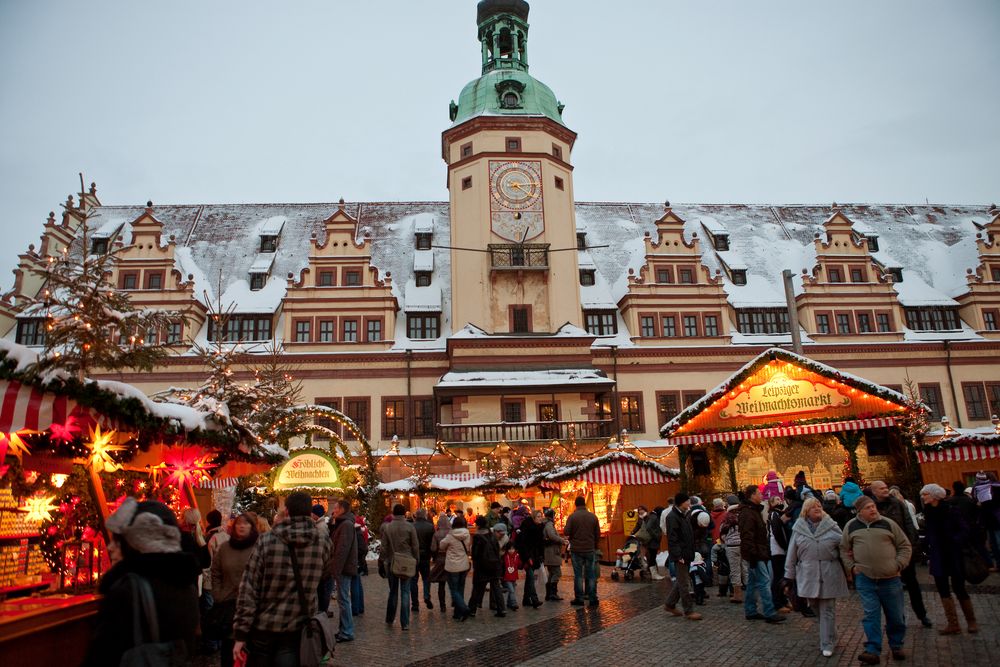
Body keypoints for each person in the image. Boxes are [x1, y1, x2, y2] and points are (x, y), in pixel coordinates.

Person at [82, 498, 201, 667]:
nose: (110, 548)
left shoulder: (127, 591)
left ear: (136, 543)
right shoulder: (185, 583)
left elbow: (102, 656)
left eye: (118, 541)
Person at [232, 492, 332, 667]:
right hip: (298, 626)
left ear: (286, 511)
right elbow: (325, 574)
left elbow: (248, 588)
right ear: (309, 511)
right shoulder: (323, 541)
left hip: (264, 627)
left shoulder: (267, 541)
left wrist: (241, 633)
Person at [841, 495, 911, 664]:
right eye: (868, 507)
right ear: (860, 511)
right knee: (870, 614)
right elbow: (843, 549)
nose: (873, 509)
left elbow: (904, 545)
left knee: (895, 614)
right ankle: (872, 649)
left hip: (890, 577)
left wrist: (899, 564)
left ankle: (896, 644)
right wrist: (852, 567)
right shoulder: (851, 526)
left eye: (873, 506)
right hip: (865, 578)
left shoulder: (888, 523)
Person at [785, 497, 849, 659]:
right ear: (806, 510)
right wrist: (788, 576)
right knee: (814, 606)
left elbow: (845, 547)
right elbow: (792, 554)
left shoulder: (832, 526)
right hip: (808, 573)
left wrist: (850, 568)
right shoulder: (798, 528)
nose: (817, 508)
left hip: (829, 571)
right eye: (813, 507)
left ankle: (826, 643)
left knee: (827, 608)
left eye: (819, 506)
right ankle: (831, 633)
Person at [870, 480, 932, 628]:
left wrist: (911, 546)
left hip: (902, 550)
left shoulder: (898, 504)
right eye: (882, 488)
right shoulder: (871, 507)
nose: (885, 490)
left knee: (912, 584)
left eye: (886, 487)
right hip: (883, 553)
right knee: (890, 589)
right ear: (874, 491)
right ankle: (897, 619)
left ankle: (922, 614)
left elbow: (909, 524)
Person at [920, 483, 978, 634]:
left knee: (959, 588)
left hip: (953, 554)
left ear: (934, 496)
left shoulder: (951, 510)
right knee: (943, 589)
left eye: (925, 494)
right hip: (938, 555)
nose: (923, 497)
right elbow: (930, 531)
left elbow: (965, 529)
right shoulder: (928, 511)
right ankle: (953, 623)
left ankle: (971, 621)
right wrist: (925, 544)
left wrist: (955, 540)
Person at [211, 513, 258, 667]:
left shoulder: (259, 547)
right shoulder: (225, 548)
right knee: (229, 648)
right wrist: (218, 594)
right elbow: (216, 572)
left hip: (253, 605)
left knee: (250, 648)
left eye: (246, 523)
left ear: (252, 526)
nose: (242, 526)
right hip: (228, 603)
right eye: (239, 523)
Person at [739, 485, 785, 624]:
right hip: (755, 553)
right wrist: (753, 554)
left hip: (756, 552)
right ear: (752, 495)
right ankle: (769, 611)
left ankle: (751, 610)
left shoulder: (753, 511)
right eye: (759, 493)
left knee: (753, 584)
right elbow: (747, 536)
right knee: (764, 582)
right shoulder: (748, 513)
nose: (761, 495)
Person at [379, 503, 420, 630]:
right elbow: (415, 545)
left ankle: (390, 618)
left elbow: (384, 547)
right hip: (407, 562)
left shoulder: (388, 527)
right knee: (405, 592)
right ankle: (405, 622)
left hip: (392, 562)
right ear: (404, 514)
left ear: (393, 513)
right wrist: (416, 559)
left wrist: (381, 560)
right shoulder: (410, 527)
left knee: (393, 592)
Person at [663, 493, 702, 621]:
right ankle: (688, 611)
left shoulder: (683, 514)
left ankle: (670, 604)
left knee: (682, 580)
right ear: (681, 502)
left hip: (686, 553)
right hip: (681, 555)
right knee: (684, 583)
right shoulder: (672, 517)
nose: (689, 504)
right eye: (687, 501)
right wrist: (678, 555)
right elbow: (672, 538)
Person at [329, 499, 358, 643]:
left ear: (342, 510)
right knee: (342, 599)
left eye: (335, 508)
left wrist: (336, 569)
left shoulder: (346, 525)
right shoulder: (342, 523)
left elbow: (342, 549)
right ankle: (343, 629)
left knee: (344, 599)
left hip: (344, 568)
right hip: (343, 567)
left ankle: (347, 631)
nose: (333, 511)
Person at [564, 495, 601, 607]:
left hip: (576, 550)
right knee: (591, 574)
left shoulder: (572, 517)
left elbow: (566, 531)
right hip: (590, 549)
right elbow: (597, 534)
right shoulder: (593, 517)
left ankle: (579, 599)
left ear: (576, 504)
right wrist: (594, 545)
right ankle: (592, 598)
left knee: (578, 575)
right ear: (584, 504)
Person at [468, 515, 505, 616]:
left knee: (477, 588)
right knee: (496, 587)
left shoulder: (477, 537)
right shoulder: (492, 535)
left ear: (478, 525)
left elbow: (475, 554)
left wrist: (475, 565)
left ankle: (472, 610)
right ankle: (502, 609)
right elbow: (497, 549)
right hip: (494, 564)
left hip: (482, 566)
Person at [438, 514, 472, 621]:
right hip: (464, 564)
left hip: (452, 566)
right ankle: (458, 613)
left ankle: (463, 608)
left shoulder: (451, 535)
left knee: (454, 590)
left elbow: (441, 545)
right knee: (460, 589)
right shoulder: (467, 534)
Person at [515, 509, 545, 609]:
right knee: (531, 577)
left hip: (534, 555)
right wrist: (527, 557)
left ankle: (526, 599)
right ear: (533, 517)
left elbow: (540, 544)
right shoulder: (527, 527)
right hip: (526, 555)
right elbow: (523, 544)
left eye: (541, 516)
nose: (541, 518)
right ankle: (534, 599)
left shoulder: (540, 527)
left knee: (529, 578)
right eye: (538, 516)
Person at [719, 493, 746, 604]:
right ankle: (750, 591)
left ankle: (737, 595)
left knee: (735, 570)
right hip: (743, 544)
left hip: (732, 546)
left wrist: (725, 540)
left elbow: (722, 530)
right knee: (745, 568)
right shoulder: (743, 513)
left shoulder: (728, 516)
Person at [767, 495, 791, 613]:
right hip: (777, 550)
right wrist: (784, 546)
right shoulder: (774, 514)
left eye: (780, 499)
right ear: (771, 503)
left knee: (782, 577)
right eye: (777, 500)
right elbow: (777, 532)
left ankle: (783, 600)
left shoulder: (779, 514)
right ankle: (777, 602)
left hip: (780, 549)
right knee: (777, 578)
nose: (779, 501)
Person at [410, 507, 436, 611]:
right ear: (425, 515)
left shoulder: (412, 526)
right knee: (426, 578)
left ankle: (415, 604)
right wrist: (433, 556)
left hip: (414, 556)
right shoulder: (430, 527)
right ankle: (426, 596)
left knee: (413, 579)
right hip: (426, 555)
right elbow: (432, 543)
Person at [542, 507, 568, 601]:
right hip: (552, 552)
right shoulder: (549, 524)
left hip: (550, 552)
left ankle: (549, 594)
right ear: (551, 516)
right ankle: (552, 594)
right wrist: (562, 541)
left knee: (552, 573)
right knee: (557, 573)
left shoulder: (546, 523)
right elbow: (552, 536)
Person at [429, 513, 451, 612]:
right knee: (452, 583)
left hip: (440, 559)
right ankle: (456, 601)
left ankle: (443, 605)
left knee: (441, 584)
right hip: (451, 559)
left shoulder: (436, 534)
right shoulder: (452, 533)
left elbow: (433, 548)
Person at [351, 514, 368, 617]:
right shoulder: (358, 531)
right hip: (357, 561)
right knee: (357, 583)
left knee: (355, 584)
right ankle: (359, 607)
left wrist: (358, 559)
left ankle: (356, 608)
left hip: (355, 562)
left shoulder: (356, 532)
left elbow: (363, 549)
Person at [501, 540, 521, 610]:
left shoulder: (517, 556)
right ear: (507, 549)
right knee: (511, 590)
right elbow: (502, 566)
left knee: (512, 590)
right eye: (509, 549)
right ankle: (513, 603)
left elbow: (519, 565)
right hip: (507, 577)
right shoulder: (505, 557)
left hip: (514, 576)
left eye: (513, 549)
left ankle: (509, 603)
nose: (511, 550)